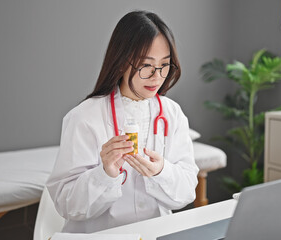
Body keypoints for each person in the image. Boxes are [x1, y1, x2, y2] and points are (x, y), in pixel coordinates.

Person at [46, 10, 199, 233]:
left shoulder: (172, 114)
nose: (157, 76)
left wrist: (161, 171)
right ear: (120, 63)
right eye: (146, 65)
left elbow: (186, 193)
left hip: (154, 234)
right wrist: (104, 174)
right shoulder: (84, 117)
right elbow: (66, 204)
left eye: (165, 65)